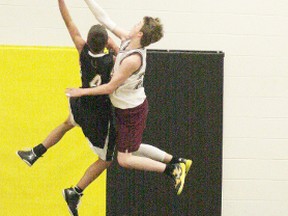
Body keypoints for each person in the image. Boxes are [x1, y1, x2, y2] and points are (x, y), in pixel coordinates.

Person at [65, 0, 193, 198]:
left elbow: (110, 87)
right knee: (131, 146)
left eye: (137, 24)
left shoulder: (133, 59)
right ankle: (178, 160)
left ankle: (172, 170)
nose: (133, 25)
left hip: (131, 111)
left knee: (125, 159)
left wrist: (80, 92)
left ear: (140, 34)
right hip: (126, 107)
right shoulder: (127, 40)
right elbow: (103, 18)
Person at [16, 0, 118, 215]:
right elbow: (119, 52)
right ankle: (75, 191)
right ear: (106, 42)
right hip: (98, 116)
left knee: (66, 124)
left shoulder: (82, 50)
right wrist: (112, 44)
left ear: (88, 42)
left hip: (81, 107)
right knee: (107, 160)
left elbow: (69, 21)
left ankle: (35, 152)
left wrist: (61, 1)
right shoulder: (113, 60)